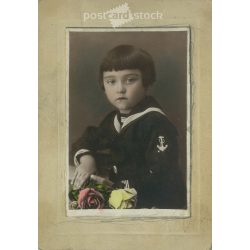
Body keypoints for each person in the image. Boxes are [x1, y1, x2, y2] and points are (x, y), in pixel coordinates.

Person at [71, 45, 186, 209]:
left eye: (130, 80)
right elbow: (88, 139)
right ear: (103, 85)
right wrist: (87, 160)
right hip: (122, 199)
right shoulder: (113, 119)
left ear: (146, 82)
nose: (120, 89)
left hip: (155, 204)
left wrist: (115, 186)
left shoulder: (156, 123)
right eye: (111, 81)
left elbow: (162, 175)